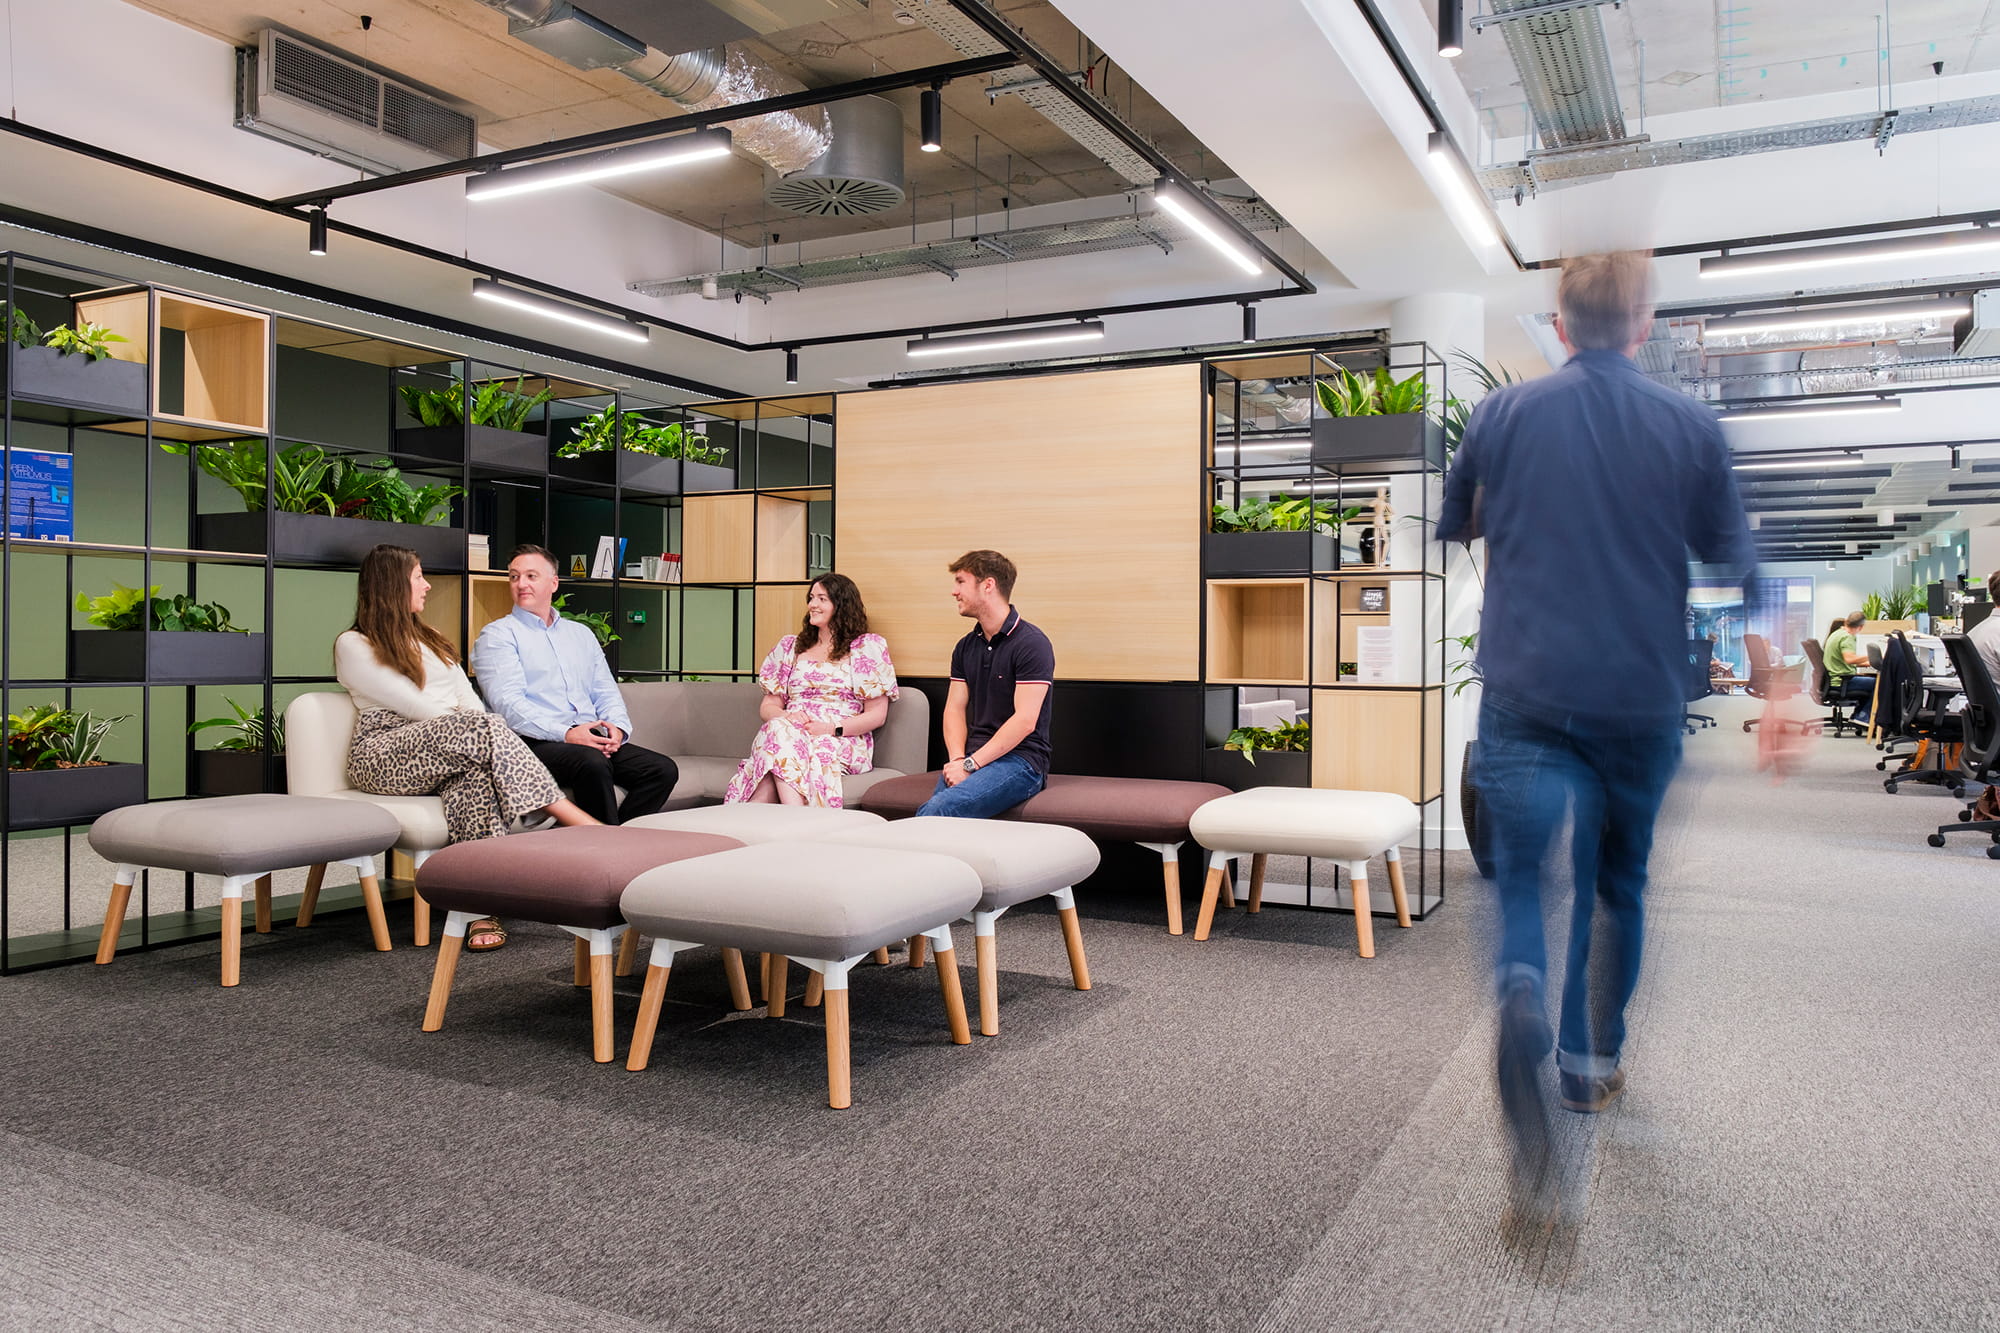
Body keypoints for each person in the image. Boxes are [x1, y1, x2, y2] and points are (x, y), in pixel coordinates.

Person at [1439, 252, 1754, 1187]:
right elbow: (1739, 559)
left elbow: (1457, 524)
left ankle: (1524, 989)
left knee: (1528, 881)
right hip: (1639, 697)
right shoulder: (1689, 424)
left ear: (1562, 324)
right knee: (1618, 884)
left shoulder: (1499, 414)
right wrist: (1776, 685)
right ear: (1645, 322)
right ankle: (1588, 1068)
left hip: (1527, 691)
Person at [336, 544, 599, 952]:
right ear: (391, 585)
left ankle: (478, 910)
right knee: (480, 730)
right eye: (418, 576)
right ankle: (570, 818)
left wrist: (471, 725)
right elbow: (412, 706)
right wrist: (468, 725)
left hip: (453, 743)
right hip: (384, 751)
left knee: (475, 778)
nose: (425, 585)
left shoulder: (432, 639)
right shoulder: (354, 643)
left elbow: (470, 701)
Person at [471, 544, 678, 825]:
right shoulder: (497, 636)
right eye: (514, 577)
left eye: (531, 576)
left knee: (661, 770)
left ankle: (618, 838)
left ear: (553, 583)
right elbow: (508, 706)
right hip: (532, 742)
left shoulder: (580, 634)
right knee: (590, 762)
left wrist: (617, 728)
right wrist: (568, 734)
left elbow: (605, 690)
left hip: (588, 737)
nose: (521, 584)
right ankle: (601, 848)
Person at [724, 573, 898, 808]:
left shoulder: (866, 647)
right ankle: (795, 813)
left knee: (773, 756)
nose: (812, 605)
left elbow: (877, 715)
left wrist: (829, 729)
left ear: (842, 605)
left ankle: (752, 817)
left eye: (822, 599)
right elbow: (768, 707)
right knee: (777, 731)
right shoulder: (790, 647)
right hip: (789, 731)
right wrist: (788, 717)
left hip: (839, 737)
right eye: (811, 597)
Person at [915, 550, 1055, 818]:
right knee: (939, 814)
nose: (954, 592)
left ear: (987, 585)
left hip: (1021, 762)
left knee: (938, 810)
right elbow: (954, 709)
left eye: (960, 582)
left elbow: (1025, 720)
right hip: (972, 758)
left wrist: (970, 764)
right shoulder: (966, 646)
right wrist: (957, 760)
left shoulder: (1032, 643)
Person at [1823, 611, 1874, 726]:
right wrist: (1873, 656)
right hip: (1841, 681)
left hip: (1835, 678)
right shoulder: (1847, 637)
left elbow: (1842, 659)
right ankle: (1863, 717)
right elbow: (1849, 659)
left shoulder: (1837, 633)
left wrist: (1866, 663)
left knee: (1870, 682)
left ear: (1847, 621)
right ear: (1860, 627)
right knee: (1879, 684)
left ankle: (1857, 716)